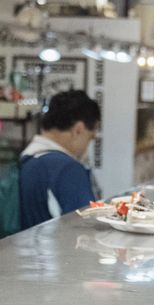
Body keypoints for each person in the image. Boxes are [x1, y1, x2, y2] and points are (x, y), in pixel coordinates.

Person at [18, 89, 102, 227]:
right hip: (58, 248)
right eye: (90, 137)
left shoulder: (28, 160)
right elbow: (89, 227)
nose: (87, 147)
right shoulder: (67, 170)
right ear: (78, 130)